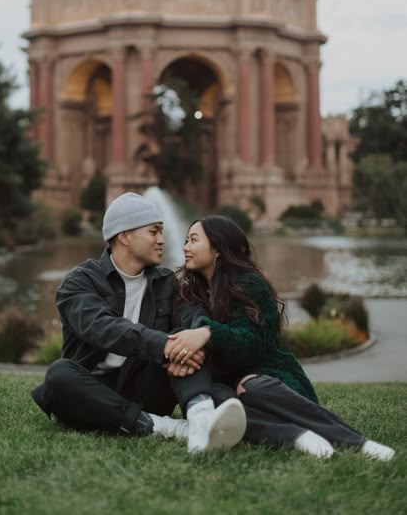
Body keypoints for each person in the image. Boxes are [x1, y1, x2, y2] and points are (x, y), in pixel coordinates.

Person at [164, 215, 395, 460]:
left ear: (218, 248)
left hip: (271, 379)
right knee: (216, 399)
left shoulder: (249, 284)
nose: (185, 247)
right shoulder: (191, 292)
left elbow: (251, 346)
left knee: (252, 387)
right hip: (230, 388)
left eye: (193, 240)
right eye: (186, 240)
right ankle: (297, 436)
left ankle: (358, 442)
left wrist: (208, 333)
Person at [31, 193, 246, 454]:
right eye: (154, 232)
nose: (162, 240)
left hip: (147, 389)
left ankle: (203, 418)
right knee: (59, 374)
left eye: (162, 232)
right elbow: (103, 328)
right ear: (124, 236)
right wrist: (164, 346)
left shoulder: (168, 282)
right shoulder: (80, 282)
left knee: (184, 337)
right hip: (92, 393)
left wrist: (200, 333)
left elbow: (193, 314)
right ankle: (169, 428)